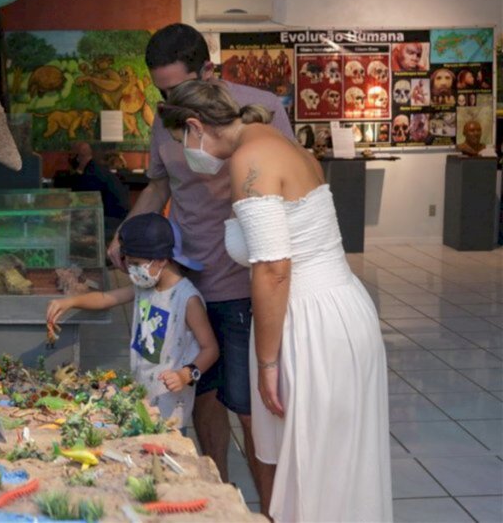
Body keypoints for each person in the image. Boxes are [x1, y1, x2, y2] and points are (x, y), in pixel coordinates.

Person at [158, 79, 392, 522]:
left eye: (181, 141)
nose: (185, 155)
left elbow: (272, 268)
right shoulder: (278, 142)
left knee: (312, 461)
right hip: (337, 306)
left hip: (310, 318)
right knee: (333, 458)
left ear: (195, 126)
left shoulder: (250, 158)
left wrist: (266, 364)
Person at [107, 23, 293, 509]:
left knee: (251, 409)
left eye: (177, 88)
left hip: (243, 283)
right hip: (187, 282)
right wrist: (126, 231)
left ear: (207, 71)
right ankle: (220, 501)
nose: (170, 100)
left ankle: (271, 511)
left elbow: (291, 190)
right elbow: (159, 185)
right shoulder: (163, 120)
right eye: (161, 91)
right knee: (200, 394)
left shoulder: (262, 109)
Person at [47, 214, 218, 429]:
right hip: (142, 395)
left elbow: (210, 348)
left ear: (162, 260)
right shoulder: (145, 286)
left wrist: (186, 374)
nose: (131, 270)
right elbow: (106, 298)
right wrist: (71, 302)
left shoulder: (187, 299)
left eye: (136, 264)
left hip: (170, 407)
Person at [54, 142, 130, 237]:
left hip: (111, 222)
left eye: (72, 155)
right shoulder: (96, 169)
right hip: (117, 220)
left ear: (78, 157)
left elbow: (86, 207)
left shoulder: (91, 174)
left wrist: (65, 217)